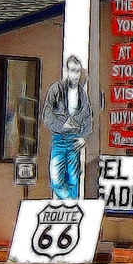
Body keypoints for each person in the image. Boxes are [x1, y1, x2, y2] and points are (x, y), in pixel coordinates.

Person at [41, 55, 94, 200]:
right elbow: (47, 113)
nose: (75, 75)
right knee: (56, 180)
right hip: (59, 138)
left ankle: (71, 209)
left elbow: (88, 116)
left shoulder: (82, 95)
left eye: (77, 71)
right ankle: (69, 202)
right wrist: (61, 125)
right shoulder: (56, 89)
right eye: (72, 71)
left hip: (74, 139)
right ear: (67, 71)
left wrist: (85, 137)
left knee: (73, 178)